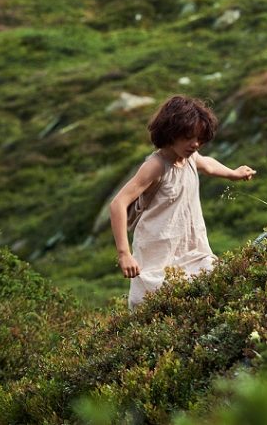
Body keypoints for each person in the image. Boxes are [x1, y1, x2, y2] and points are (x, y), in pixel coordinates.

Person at [109, 95, 256, 308]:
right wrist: (124, 254)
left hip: (190, 246)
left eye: (199, 138)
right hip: (157, 252)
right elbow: (118, 204)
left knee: (211, 287)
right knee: (151, 306)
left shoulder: (189, 158)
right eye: (188, 137)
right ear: (171, 132)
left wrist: (233, 173)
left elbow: (209, 164)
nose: (195, 144)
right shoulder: (157, 166)